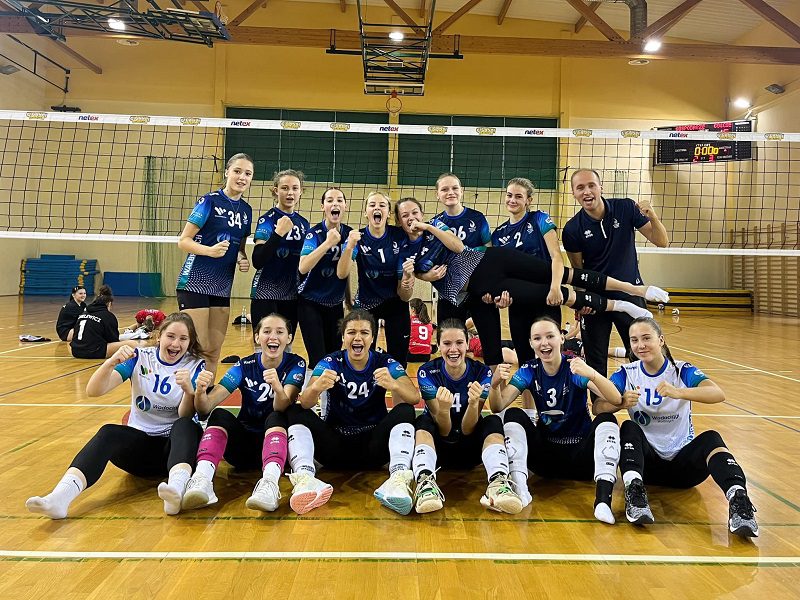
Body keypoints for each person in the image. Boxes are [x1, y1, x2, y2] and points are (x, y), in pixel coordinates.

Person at [394, 198, 668, 371]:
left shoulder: (436, 227)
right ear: (399, 221)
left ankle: (636, 291)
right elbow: (411, 280)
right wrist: (424, 277)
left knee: (565, 275)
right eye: (405, 215)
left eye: (415, 212)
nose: (411, 218)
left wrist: (429, 227)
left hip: (493, 260)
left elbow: (458, 247)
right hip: (483, 287)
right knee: (552, 294)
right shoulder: (404, 250)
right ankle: (619, 305)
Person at [26, 312, 207, 518]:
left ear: (190, 342)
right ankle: (59, 498)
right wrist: (111, 362)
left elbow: (186, 414)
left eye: (183, 339)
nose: (175, 344)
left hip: (175, 451)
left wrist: (188, 390)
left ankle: (176, 491)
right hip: (140, 450)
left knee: (186, 425)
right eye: (171, 336)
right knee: (108, 432)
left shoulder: (195, 365)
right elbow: (94, 391)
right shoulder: (140, 358)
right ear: (159, 336)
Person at [598, 317, 758, 537]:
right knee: (628, 427)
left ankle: (739, 502)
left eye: (646, 338)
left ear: (661, 340)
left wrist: (679, 392)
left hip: (684, 469)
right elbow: (598, 407)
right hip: (646, 466)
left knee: (712, 438)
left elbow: (717, 393)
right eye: (634, 340)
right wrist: (620, 402)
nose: (640, 345)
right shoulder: (627, 372)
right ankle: (634, 494)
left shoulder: (681, 370)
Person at [492, 317, 624, 524]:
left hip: (582, 459)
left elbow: (616, 398)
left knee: (607, 418)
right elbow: (498, 406)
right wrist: (495, 385)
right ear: (530, 343)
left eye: (550, 336)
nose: (544, 343)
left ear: (561, 338)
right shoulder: (529, 369)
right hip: (546, 460)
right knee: (513, 414)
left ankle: (602, 501)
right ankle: (520, 488)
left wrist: (592, 374)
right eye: (537, 338)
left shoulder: (574, 368)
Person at [285, 310, 419, 515]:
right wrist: (316, 387)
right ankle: (305, 478)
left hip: (374, 447)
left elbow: (414, 397)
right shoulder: (330, 361)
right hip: (335, 447)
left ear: (372, 338)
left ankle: (398, 479)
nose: (357, 338)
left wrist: (394, 385)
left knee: (405, 410)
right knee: (295, 410)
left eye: (364, 333)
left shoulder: (385, 362)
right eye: (351, 332)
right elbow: (305, 402)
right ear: (343, 337)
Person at [181, 314, 306, 513]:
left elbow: (282, 405)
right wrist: (200, 392)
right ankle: (202, 479)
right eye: (266, 331)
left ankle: (270, 484)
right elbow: (205, 407)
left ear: (289, 338)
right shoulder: (244, 366)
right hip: (243, 449)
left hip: (277, 448)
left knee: (276, 416)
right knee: (219, 415)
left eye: (280, 332)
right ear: (257, 337)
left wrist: (277, 387)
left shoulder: (296, 364)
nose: (273, 337)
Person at [562, 168, 669, 388]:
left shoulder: (625, 208)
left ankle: (646, 401)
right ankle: (599, 407)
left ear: (600, 187)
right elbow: (578, 270)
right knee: (595, 361)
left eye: (591, 185)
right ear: (573, 193)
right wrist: (580, 304)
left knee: (642, 353)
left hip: (630, 295)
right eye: (580, 187)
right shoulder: (572, 229)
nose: (587, 191)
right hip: (595, 302)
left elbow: (662, 241)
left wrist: (653, 216)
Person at [412, 319, 523, 515]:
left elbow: (467, 429)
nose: (453, 349)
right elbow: (444, 430)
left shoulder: (482, 372)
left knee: (493, 421)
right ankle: (425, 483)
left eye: (459, 343)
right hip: (438, 450)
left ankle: (498, 483)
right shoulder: (426, 372)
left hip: (471, 450)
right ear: (438, 345)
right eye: (447, 343)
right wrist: (444, 409)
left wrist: (473, 404)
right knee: (423, 421)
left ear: (468, 343)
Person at [176, 153, 254, 376]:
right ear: (227, 172)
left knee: (213, 350)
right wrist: (209, 251)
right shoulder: (209, 201)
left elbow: (239, 247)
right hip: (195, 283)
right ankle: (185, 393)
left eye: (247, 174)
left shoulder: (246, 211)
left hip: (222, 286)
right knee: (197, 348)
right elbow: (184, 241)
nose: (242, 177)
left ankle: (205, 394)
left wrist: (242, 258)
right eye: (237, 171)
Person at [338, 191, 415, 366]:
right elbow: (342, 273)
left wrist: (407, 281)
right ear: (366, 212)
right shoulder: (357, 237)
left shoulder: (399, 236)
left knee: (399, 360)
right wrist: (349, 246)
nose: (377, 208)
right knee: (363, 358)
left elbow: (404, 295)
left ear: (388, 212)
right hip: (367, 302)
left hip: (395, 302)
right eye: (372, 205)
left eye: (382, 205)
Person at [491, 177, 563, 364]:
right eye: (509, 195)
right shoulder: (498, 234)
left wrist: (555, 287)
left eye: (518, 196)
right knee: (524, 358)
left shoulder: (539, 219)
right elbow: (500, 274)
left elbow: (556, 255)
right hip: (519, 302)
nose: (512, 200)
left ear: (528, 200)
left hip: (545, 297)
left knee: (551, 355)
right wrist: (500, 297)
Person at [297, 187, 355, 380]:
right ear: (323, 206)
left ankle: (330, 397)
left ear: (345, 206)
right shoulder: (314, 234)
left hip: (335, 304)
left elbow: (344, 272)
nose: (335, 204)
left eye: (339, 200)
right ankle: (312, 396)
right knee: (317, 359)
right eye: (330, 200)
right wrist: (328, 243)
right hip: (310, 302)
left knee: (333, 357)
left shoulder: (349, 234)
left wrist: (348, 299)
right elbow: (303, 267)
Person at [250, 169, 310, 341]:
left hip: (291, 295)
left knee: (286, 345)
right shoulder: (267, 220)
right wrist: (278, 233)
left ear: (301, 191)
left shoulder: (304, 223)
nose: (290, 193)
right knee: (263, 345)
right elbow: (257, 260)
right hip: (265, 293)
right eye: (285, 188)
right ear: (276, 191)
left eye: (295, 188)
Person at [431, 174, 491, 324]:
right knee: (448, 335)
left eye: (455, 188)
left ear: (461, 191)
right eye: (444, 189)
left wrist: (490, 286)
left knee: (486, 335)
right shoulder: (435, 224)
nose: (450, 192)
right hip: (450, 292)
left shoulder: (477, 218)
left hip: (478, 289)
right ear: (437, 194)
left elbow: (490, 251)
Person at [70, 285, 140, 359]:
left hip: (75, 351)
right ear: (109, 303)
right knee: (132, 344)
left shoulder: (84, 313)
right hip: (93, 352)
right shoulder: (108, 316)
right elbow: (113, 340)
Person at [408, 298, 433, 363]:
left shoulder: (409, 320)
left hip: (411, 356)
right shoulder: (429, 322)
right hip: (426, 357)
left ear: (413, 309)